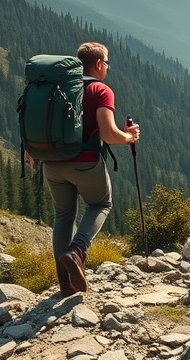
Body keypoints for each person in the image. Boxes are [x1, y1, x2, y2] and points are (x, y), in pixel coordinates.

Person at [38, 42, 140, 296]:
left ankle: (66, 285)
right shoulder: (100, 89)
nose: (107, 67)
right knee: (101, 204)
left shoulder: (59, 86)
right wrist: (128, 137)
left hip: (51, 162)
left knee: (63, 216)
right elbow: (107, 133)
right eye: (106, 63)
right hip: (84, 161)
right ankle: (77, 251)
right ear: (98, 64)